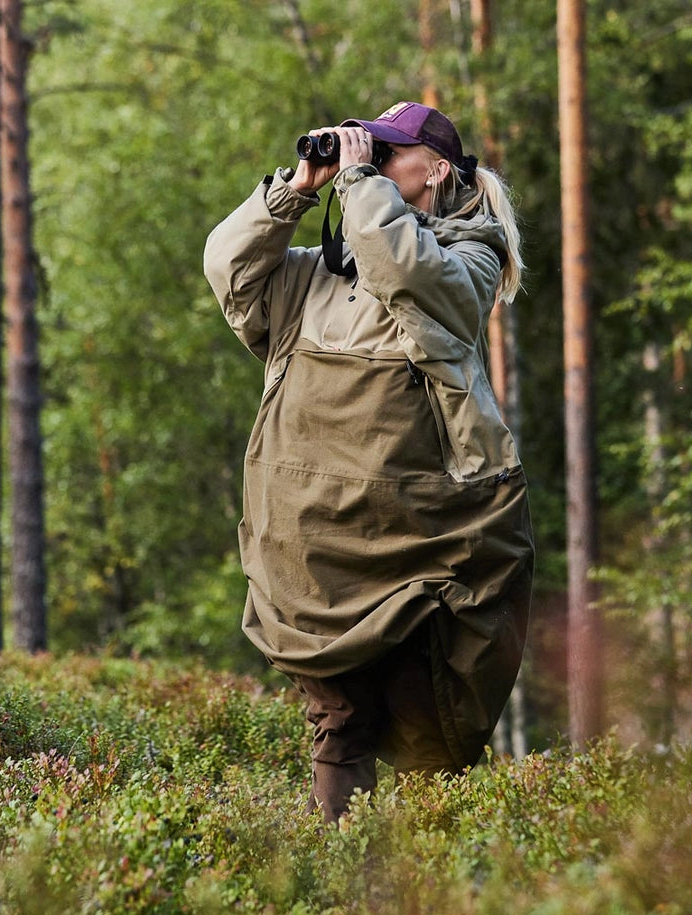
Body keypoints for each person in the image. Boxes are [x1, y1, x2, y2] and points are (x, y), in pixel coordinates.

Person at [203, 101, 535, 822]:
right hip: (317, 536)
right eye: (369, 151)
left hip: (424, 531)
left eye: (388, 153)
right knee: (339, 718)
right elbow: (228, 271)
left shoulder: (469, 261)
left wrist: (357, 184)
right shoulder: (312, 277)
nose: (373, 161)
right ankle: (339, 882)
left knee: (427, 717)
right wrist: (297, 188)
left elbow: (409, 275)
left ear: (436, 170)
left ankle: (428, 900)